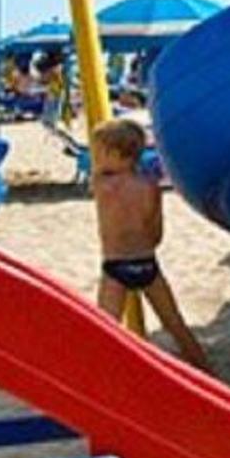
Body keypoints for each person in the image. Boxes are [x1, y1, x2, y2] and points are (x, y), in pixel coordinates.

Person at [90, 119, 208, 368]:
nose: (95, 159)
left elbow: (98, 173)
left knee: (104, 329)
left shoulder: (102, 185)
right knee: (174, 323)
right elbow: (156, 234)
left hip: (116, 266)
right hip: (147, 263)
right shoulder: (150, 187)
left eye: (98, 153)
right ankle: (205, 369)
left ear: (115, 155)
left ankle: (101, 375)